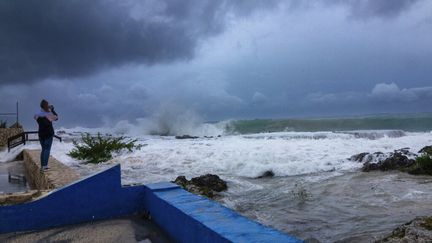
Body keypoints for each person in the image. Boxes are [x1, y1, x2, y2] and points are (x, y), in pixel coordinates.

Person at [34, 99, 58, 171]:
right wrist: (52, 110)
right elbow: (56, 118)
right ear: (46, 106)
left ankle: (43, 166)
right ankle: (44, 166)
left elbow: (36, 117)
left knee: (44, 149)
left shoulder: (37, 114)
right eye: (47, 105)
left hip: (41, 134)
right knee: (47, 150)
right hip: (48, 134)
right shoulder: (48, 114)